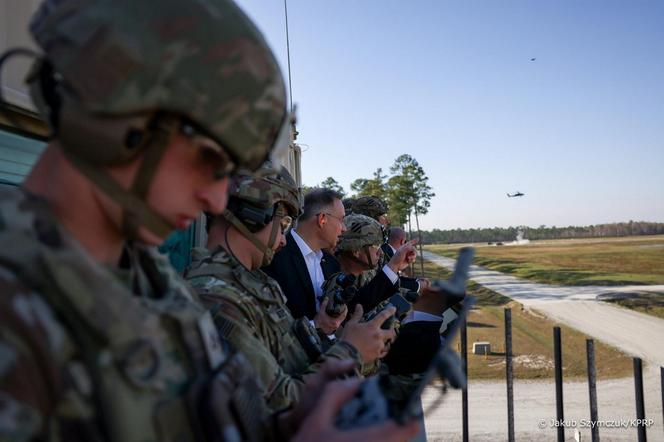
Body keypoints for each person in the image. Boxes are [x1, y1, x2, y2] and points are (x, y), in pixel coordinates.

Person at [0, 0, 419, 440]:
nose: (216, 197)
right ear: (120, 117)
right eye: (206, 158)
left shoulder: (148, 279)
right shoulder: (20, 301)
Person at [185, 166, 397, 411]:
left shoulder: (251, 284)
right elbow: (281, 401)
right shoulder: (216, 295)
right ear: (255, 214)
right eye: (283, 223)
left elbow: (291, 356)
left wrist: (322, 328)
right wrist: (351, 351)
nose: (284, 238)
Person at [264, 188, 345, 321]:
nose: (344, 228)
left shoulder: (332, 263)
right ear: (322, 219)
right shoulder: (274, 259)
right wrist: (317, 327)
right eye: (341, 220)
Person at [322, 214, 418, 315]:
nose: (380, 253)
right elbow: (355, 310)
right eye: (376, 246)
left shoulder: (365, 274)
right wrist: (393, 265)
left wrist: (397, 266)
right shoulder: (335, 283)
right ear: (356, 250)